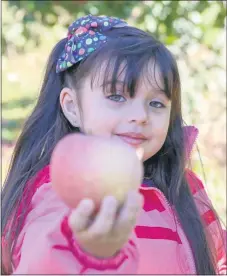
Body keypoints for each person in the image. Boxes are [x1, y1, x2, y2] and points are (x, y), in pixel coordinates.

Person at [1, 14, 226, 275]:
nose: (140, 116)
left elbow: (217, 255)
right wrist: (94, 255)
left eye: (156, 104)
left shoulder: (182, 187)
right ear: (72, 107)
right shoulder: (61, 194)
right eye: (117, 97)